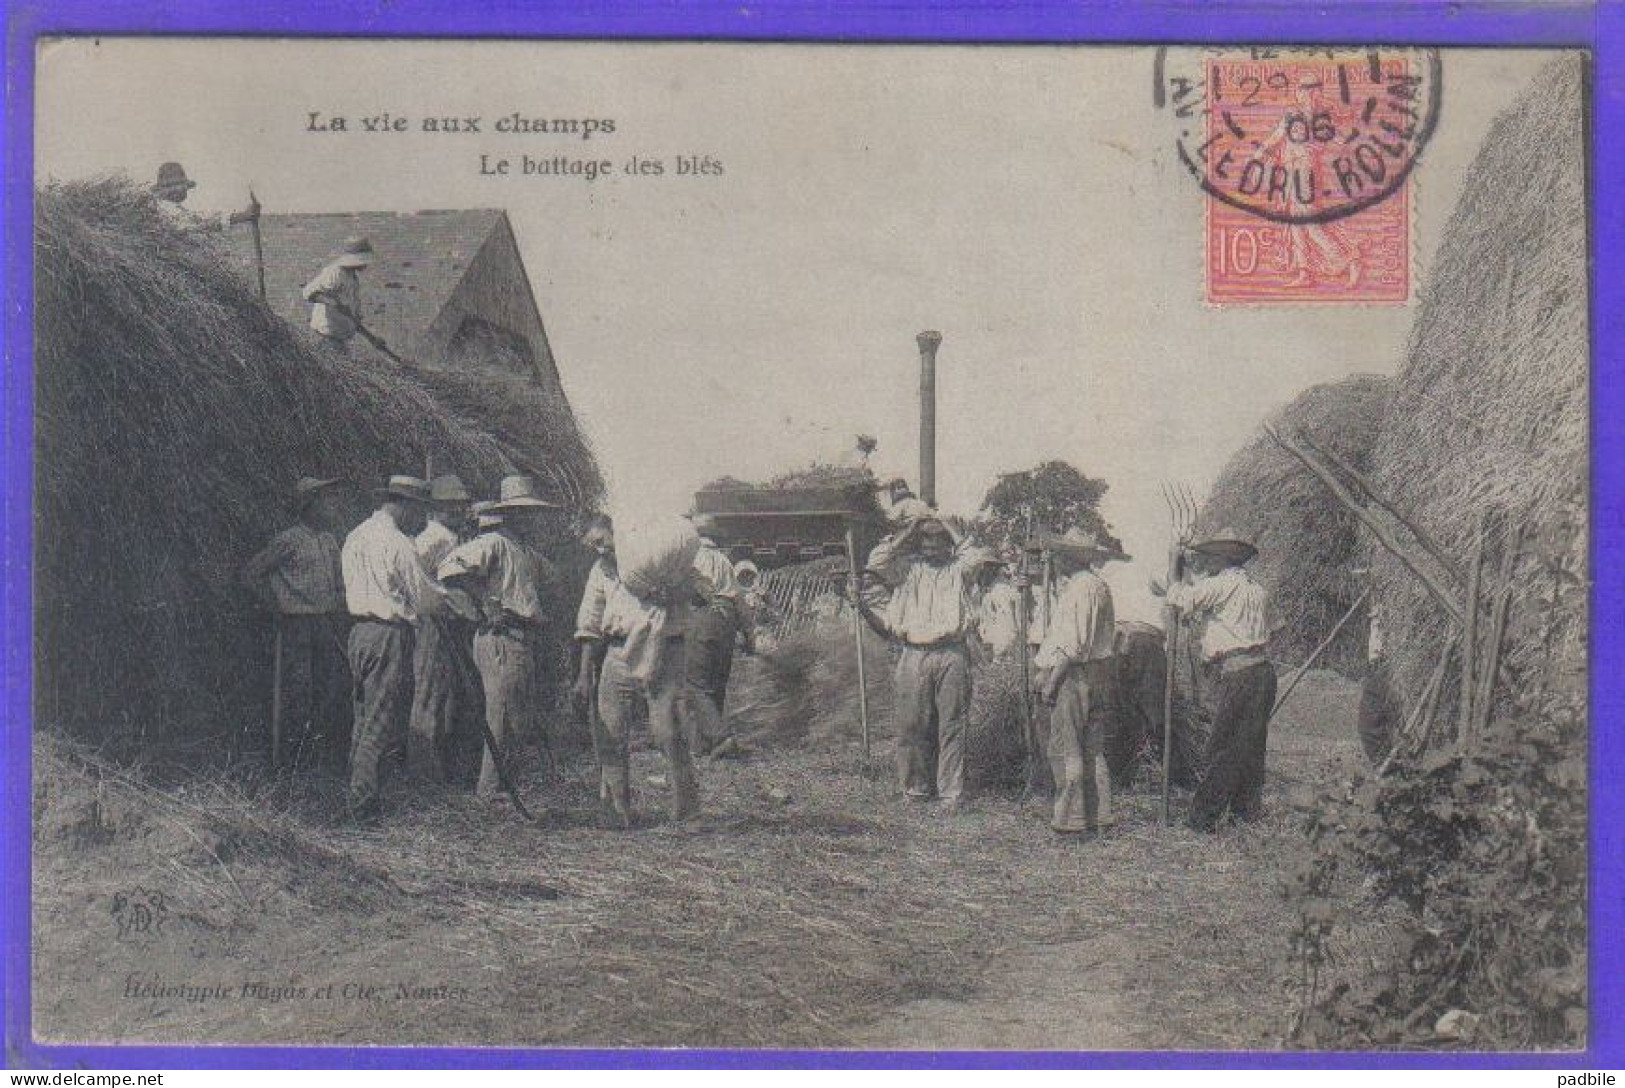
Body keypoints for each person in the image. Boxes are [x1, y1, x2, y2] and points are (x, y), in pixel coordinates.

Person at [576, 517, 710, 827]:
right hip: (618, 651)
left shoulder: (657, 560)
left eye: (602, 539)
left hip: (665, 649)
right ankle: (616, 810)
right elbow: (589, 622)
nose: (600, 548)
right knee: (610, 729)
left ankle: (687, 812)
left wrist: (673, 590)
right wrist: (584, 673)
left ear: (614, 532)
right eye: (592, 545)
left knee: (668, 729)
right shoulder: (602, 571)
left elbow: (704, 592)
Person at [437, 476, 557, 805]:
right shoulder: (494, 542)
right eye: (524, 512)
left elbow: (550, 577)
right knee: (500, 715)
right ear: (511, 513)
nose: (531, 519)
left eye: (533, 513)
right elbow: (450, 566)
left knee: (516, 716)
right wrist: (486, 603)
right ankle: (488, 792)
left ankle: (505, 785)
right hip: (501, 638)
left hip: (523, 636)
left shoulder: (524, 550)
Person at [859, 514, 991, 810]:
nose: (931, 549)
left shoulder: (959, 571)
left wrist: (947, 526)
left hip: (951, 652)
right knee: (910, 725)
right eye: (926, 543)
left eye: (938, 542)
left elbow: (975, 556)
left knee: (952, 725)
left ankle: (950, 793)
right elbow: (877, 562)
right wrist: (910, 529)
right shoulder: (906, 570)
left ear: (948, 546)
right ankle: (915, 789)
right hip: (913, 653)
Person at [1152, 528, 1276, 831]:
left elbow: (1179, 598)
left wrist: (1173, 562)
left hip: (1239, 674)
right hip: (1262, 671)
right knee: (1250, 747)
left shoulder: (1222, 585)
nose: (1204, 561)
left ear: (1222, 557)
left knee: (1222, 747)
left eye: (1209, 556)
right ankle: (1244, 814)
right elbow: (1276, 627)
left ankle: (1202, 819)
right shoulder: (1255, 589)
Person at [340, 475, 441, 820]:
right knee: (380, 721)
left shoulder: (354, 537)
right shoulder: (397, 542)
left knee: (361, 717)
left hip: (358, 632)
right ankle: (363, 805)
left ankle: (355, 792)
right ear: (404, 505)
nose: (419, 519)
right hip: (388, 634)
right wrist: (452, 599)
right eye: (418, 510)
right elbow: (424, 596)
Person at [241, 477, 351, 769]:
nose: (332, 507)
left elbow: (339, 582)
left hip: (324, 624)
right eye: (325, 502)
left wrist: (338, 602)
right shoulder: (288, 540)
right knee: (298, 691)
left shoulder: (329, 541)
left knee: (326, 690)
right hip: (296, 625)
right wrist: (275, 606)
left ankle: (317, 758)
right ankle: (292, 762)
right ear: (309, 506)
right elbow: (252, 573)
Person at [1033, 530, 1124, 836]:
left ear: (1069, 558)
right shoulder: (1100, 586)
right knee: (1092, 747)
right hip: (1100, 672)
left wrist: (1051, 682)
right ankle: (1100, 814)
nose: (1054, 560)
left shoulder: (1078, 589)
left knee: (1066, 746)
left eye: (1058, 555)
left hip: (1075, 674)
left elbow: (1072, 645)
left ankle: (1071, 820)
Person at [409, 474, 482, 784]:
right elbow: (414, 577)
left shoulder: (450, 537)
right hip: (433, 622)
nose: (457, 511)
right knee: (429, 694)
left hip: (448, 625)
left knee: (445, 694)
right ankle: (424, 772)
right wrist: (435, 601)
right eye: (450, 506)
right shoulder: (434, 538)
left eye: (459, 506)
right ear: (436, 509)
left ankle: (438, 768)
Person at [684, 513, 755, 753]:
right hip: (728, 621)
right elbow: (740, 602)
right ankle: (702, 744)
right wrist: (748, 635)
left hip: (704, 615)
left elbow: (695, 591)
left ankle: (720, 737)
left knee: (695, 683)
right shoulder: (725, 561)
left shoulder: (691, 557)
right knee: (716, 682)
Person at [301, 237, 374, 353]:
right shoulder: (335, 273)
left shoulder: (352, 278)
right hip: (326, 335)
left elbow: (353, 317)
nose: (366, 266)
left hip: (339, 337)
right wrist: (332, 302)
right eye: (364, 262)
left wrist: (372, 339)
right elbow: (308, 293)